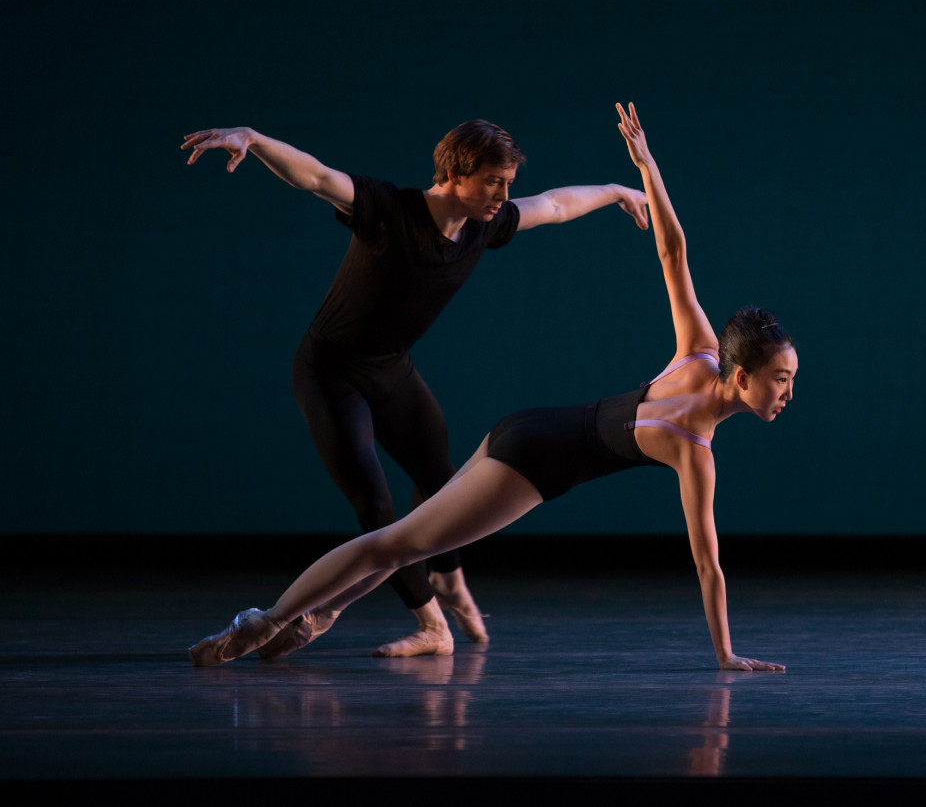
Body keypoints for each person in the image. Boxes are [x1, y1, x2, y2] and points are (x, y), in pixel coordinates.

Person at [189, 103, 792, 671]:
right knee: (388, 539)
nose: (788, 393)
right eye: (781, 379)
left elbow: (639, 238)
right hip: (509, 452)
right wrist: (725, 655)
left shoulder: (697, 354)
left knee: (405, 538)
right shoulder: (694, 445)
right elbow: (707, 566)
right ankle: (265, 620)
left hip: (510, 422)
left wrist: (635, 177)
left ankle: (327, 613)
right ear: (742, 375)